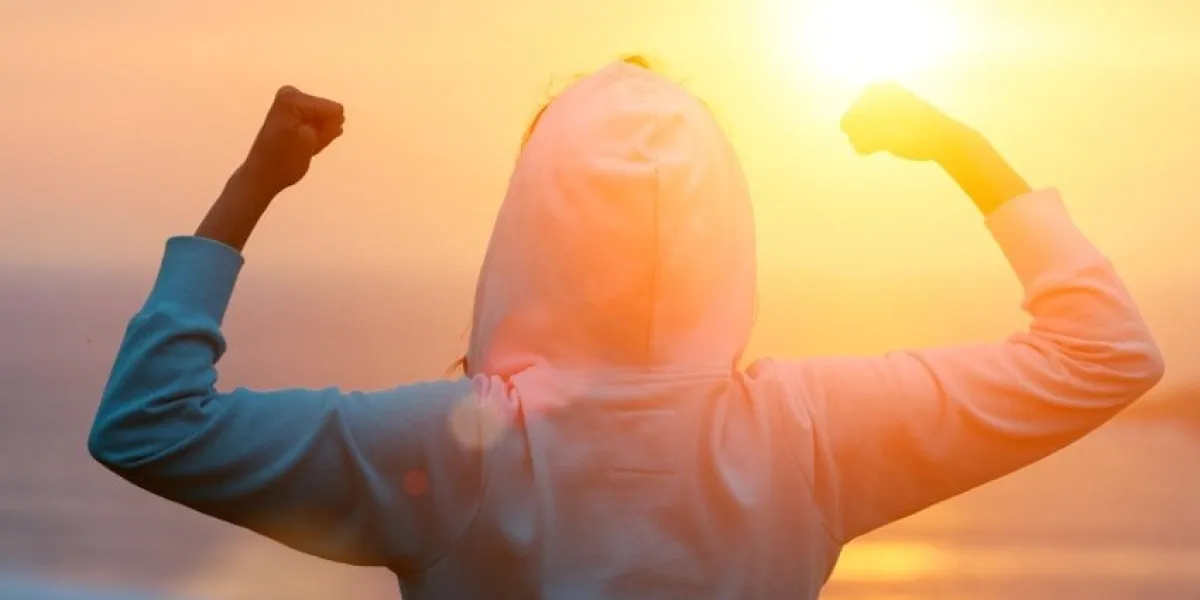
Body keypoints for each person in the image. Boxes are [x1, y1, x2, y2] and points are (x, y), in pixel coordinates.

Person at [88, 57, 1164, 599]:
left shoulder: (449, 448)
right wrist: (962, 150)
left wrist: (253, 186)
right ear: (724, 224)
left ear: (529, 223)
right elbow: (1109, 351)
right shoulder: (811, 434)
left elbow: (146, 425)